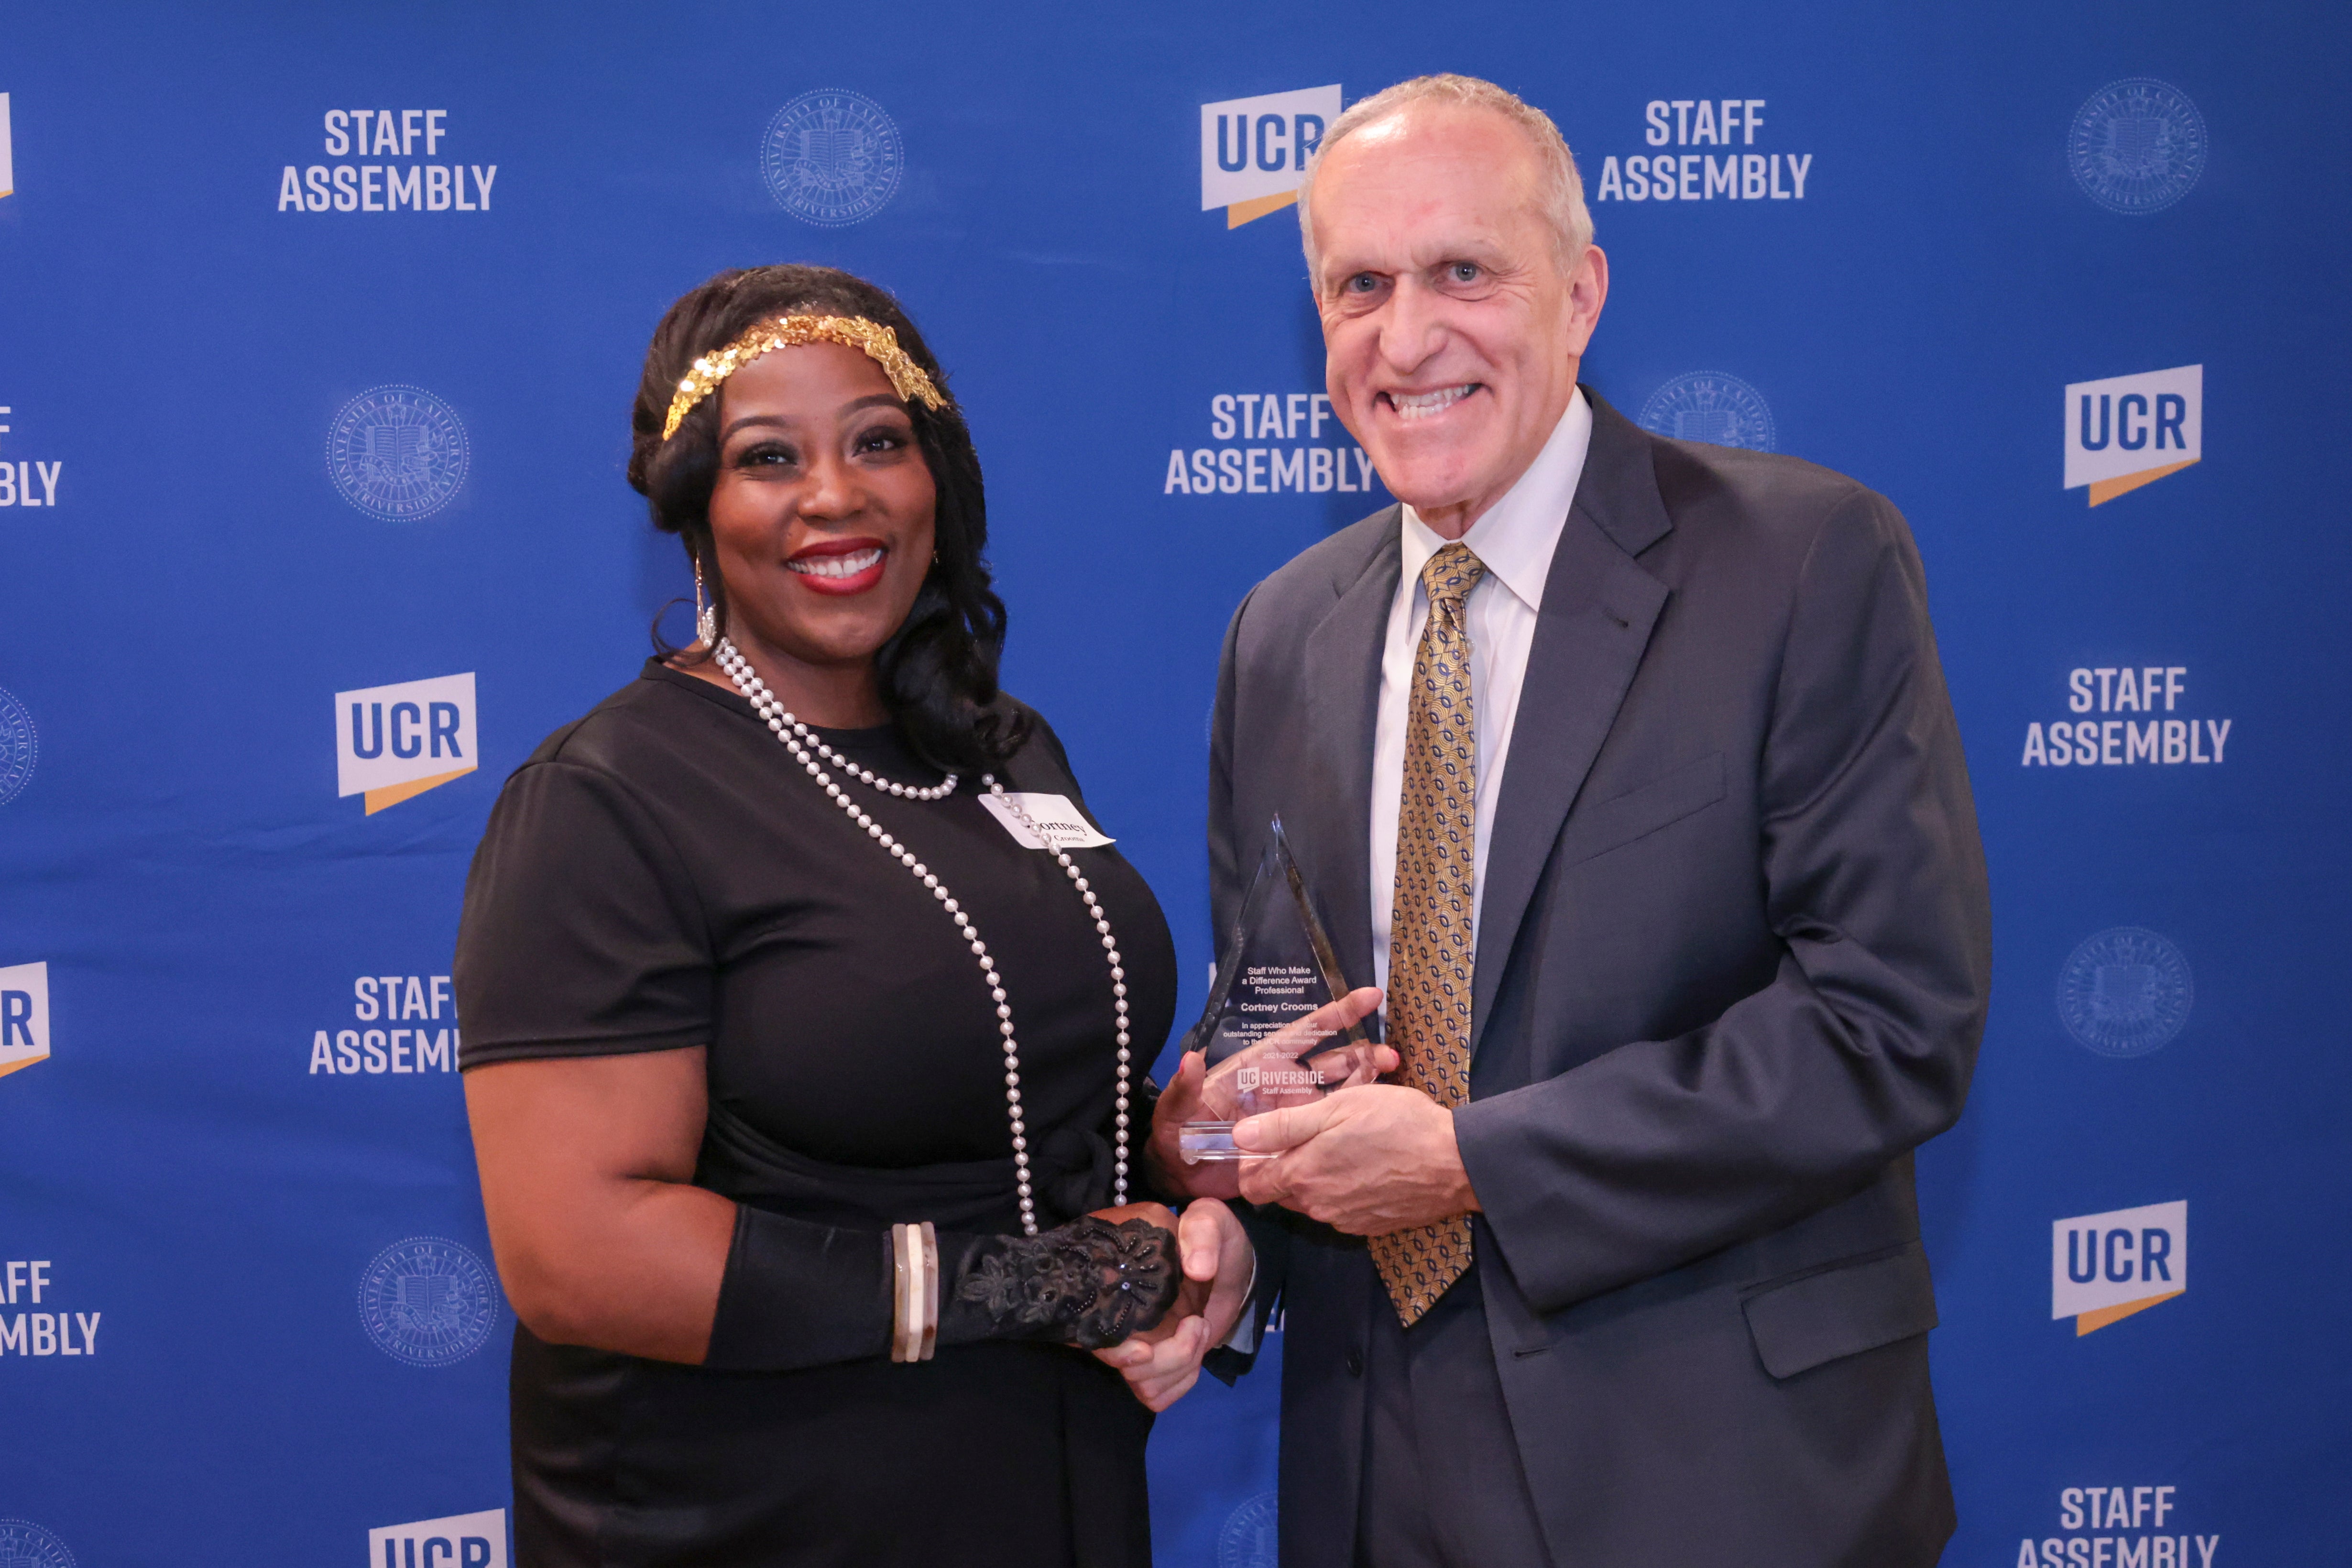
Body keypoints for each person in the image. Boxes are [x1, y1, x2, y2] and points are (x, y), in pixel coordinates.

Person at [1148, 75, 1992, 1567]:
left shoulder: (1802, 564)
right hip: (1371, 1467)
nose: (1408, 338)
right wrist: (1223, 1170)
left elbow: (1887, 1023)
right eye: (1360, 286)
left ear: (1581, 292)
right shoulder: (1277, 636)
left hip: (1716, 1469)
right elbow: (1300, 1039)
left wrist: (1476, 1161)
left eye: (1464, 271)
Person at [455, 263, 1252, 1568]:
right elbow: (577, 1252)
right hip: (759, 1518)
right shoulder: (606, 801)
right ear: (696, 506)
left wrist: (1167, 1150)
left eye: (879, 440)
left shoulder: (1002, 750)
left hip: (1042, 1496)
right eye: (769, 457)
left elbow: (967, 1088)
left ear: (938, 472)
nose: (837, 493)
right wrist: (1039, 1286)